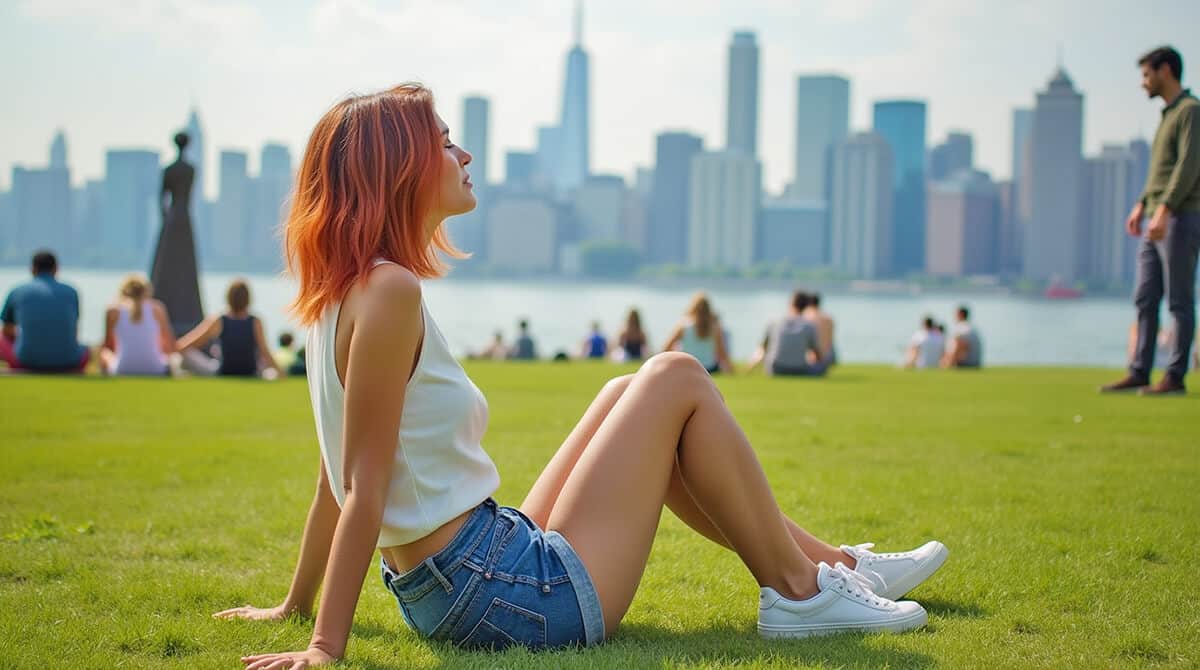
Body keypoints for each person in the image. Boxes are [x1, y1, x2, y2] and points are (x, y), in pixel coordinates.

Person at [215, 86, 949, 667]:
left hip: (469, 574)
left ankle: (839, 569)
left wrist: (295, 606)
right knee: (676, 375)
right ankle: (798, 594)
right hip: (500, 594)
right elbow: (360, 486)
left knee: (626, 395)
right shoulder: (389, 294)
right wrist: (323, 646)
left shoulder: (338, 296)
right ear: (398, 169)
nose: (463, 153)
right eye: (443, 143)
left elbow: (329, 481)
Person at [1103, 46, 1200, 395]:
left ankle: (1174, 376)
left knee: (1179, 300)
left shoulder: (1190, 111)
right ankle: (1140, 370)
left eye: (1147, 74)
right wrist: (1142, 204)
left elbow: (1189, 165)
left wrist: (1166, 208)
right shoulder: (1166, 116)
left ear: (1166, 71)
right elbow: (1159, 171)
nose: (1143, 83)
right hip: (1156, 216)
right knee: (1145, 296)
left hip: (1181, 217)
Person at [0, 250, 89, 373]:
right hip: (69, 361)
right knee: (86, 350)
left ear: (32, 269)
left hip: (26, 360)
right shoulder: (71, 292)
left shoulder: (17, 291)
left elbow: (6, 330)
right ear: (56, 269)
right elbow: (73, 329)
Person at [176, 279, 282, 378]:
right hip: (251, 372)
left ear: (229, 298)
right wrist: (280, 372)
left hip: (223, 371)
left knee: (185, 355)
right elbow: (265, 351)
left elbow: (187, 344)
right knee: (269, 371)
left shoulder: (219, 320)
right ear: (248, 299)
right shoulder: (255, 321)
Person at [99, 274, 174, 376]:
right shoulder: (158, 308)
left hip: (121, 369)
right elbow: (169, 346)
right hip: (157, 368)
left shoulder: (113, 310)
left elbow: (108, 346)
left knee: (104, 353)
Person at [747, 291, 826, 376]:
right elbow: (817, 355)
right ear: (806, 306)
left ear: (790, 304)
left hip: (774, 369)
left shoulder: (774, 322)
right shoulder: (809, 326)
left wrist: (751, 365)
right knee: (822, 366)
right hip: (799, 370)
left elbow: (762, 349)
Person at [661, 293, 733, 374]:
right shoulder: (714, 328)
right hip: (710, 369)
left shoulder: (683, 326)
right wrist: (731, 370)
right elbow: (722, 354)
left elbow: (666, 348)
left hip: (686, 368)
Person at [801, 292, 837, 367]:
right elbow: (830, 341)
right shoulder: (829, 318)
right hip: (830, 356)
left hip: (813, 358)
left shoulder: (806, 317)